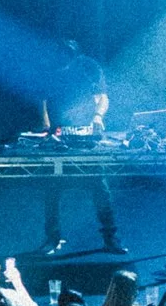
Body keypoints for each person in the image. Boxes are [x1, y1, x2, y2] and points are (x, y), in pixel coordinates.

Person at [39, 38, 122, 257]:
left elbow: (102, 96)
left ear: (75, 56)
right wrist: (47, 127)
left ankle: (110, 238)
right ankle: (52, 239)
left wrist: (97, 116)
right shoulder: (51, 69)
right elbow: (43, 100)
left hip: (85, 130)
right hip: (59, 133)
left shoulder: (88, 68)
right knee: (52, 187)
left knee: (99, 186)